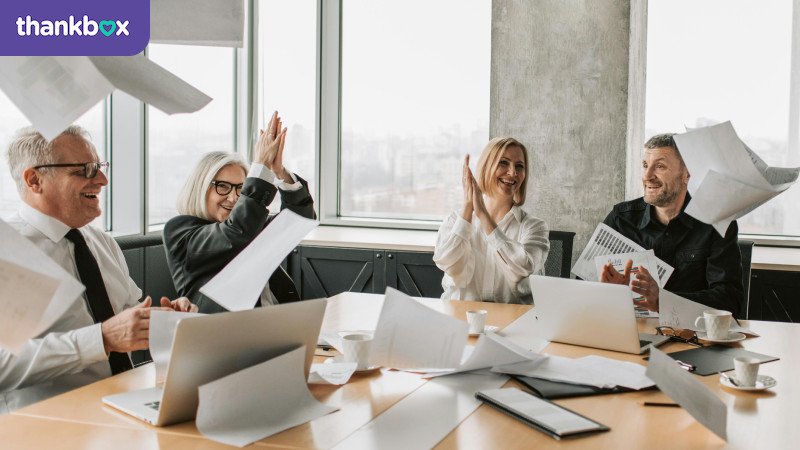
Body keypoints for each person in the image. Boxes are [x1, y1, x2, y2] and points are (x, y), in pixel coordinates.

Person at [1, 126, 197, 415]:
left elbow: (129, 317)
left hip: (124, 408)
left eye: (100, 167)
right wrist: (102, 339)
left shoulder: (101, 241)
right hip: (46, 426)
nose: (102, 180)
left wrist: (165, 322)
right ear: (35, 180)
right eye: (85, 170)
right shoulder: (8, 252)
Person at [163, 111, 316, 313]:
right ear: (200, 188)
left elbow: (298, 221)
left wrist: (279, 172)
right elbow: (235, 234)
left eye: (240, 189)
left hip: (281, 325)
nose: (234, 198)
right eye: (223, 186)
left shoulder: (250, 226)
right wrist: (260, 168)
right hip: (226, 337)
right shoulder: (180, 231)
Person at [599, 133, 744, 317]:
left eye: (659, 166)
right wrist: (609, 293)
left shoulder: (716, 222)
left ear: (686, 174)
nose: (648, 175)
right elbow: (582, 285)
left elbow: (730, 301)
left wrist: (663, 300)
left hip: (693, 337)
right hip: (630, 332)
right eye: (645, 165)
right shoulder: (621, 219)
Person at [433, 137, 549, 304]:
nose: (512, 173)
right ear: (486, 167)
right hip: (462, 320)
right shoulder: (453, 221)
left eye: (519, 166)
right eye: (503, 163)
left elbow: (522, 269)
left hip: (514, 323)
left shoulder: (534, 227)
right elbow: (446, 261)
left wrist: (484, 217)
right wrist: (468, 207)